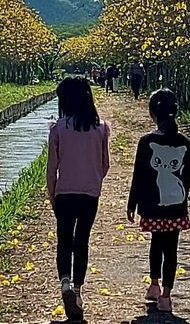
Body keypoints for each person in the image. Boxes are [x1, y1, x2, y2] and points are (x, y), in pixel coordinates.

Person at [47, 76, 111, 321]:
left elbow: (52, 169)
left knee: (64, 241)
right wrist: (93, 179)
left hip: (65, 192)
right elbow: (105, 165)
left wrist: (52, 194)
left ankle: (64, 284)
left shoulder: (58, 129)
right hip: (89, 194)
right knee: (81, 241)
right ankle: (77, 290)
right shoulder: (101, 128)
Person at [127, 88, 190, 313]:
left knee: (156, 245)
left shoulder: (147, 142)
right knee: (172, 249)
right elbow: (187, 178)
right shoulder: (186, 143)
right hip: (176, 206)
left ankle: (154, 285)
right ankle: (166, 296)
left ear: (153, 114)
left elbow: (139, 176)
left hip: (152, 206)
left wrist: (132, 204)